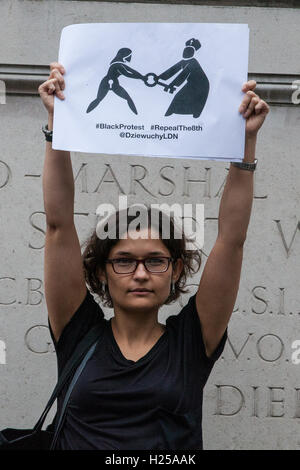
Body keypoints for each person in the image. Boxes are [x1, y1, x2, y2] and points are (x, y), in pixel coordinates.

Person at [38, 62, 269, 450]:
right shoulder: (78, 333)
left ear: (175, 269)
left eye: (155, 261)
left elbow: (231, 240)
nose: (140, 273)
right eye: (124, 261)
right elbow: (58, 224)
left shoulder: (192, 343)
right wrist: (56, 126)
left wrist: (244, 145)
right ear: (100, 273)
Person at [157, 38, 210, 118]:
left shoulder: (193, 62)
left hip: (201, 85)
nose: (186, 52)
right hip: (192, 84)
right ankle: (170, 113)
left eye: (189, 50)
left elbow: (183, 75)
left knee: (180, 97)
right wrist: (158, 77)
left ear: (192, 52)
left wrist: (172, 85)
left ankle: (172, 113)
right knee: (179, 97)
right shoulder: (183, 62)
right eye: (185, 50)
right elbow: (172, 70)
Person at [86, 48, 145, 115]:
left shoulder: (118, 63)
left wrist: (142, 77)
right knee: (99, 99)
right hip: (108, 82)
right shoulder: (118, 65)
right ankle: (87, 113)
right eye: (129, 55)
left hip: (109, 82)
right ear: (125, 55)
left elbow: (131, 70)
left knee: (98, 99)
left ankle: (86, 113)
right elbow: (127, 74)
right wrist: (141, 77)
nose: (130, 57)